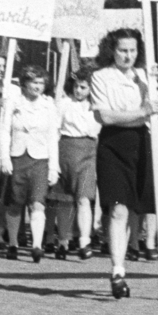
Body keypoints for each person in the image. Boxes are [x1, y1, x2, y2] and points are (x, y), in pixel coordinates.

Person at [88, 28, 158, 299]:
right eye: (122, 50)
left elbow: (155, 113)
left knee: (133, 210)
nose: (128, 55)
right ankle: (117, 271)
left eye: (132, 50)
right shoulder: (101, 77)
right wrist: (141, 112)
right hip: (113, 145)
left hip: (141, 143)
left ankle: (124, 259)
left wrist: (153, 100)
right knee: (117, 209)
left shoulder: (146, 77)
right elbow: (105, 116)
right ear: (112, 50)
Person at [0, 64, 60, 264]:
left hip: (40, 159)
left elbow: (52, 137)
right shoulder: (13, 103)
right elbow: (4, 130)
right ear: (24, 84)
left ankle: (37, 245)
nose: (38, 87)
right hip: (17, 156)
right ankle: (13, 243)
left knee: (38, 203)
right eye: (34, 82)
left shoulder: (49, 105)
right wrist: (4, 157)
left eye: (41, 83)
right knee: (15, 203)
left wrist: (53, 166)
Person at [51, 69, 101, 260]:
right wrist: (54, 161)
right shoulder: (63, 104)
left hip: (88, 151)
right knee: (65, 199)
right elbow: (54, 130)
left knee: (84, 198)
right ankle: (63, 241)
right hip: (66, 148)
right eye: (76, 86)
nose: (79, 91)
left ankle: (84, 241)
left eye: (83, 87)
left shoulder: (96, 106)